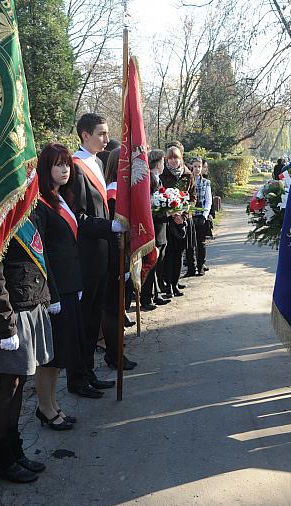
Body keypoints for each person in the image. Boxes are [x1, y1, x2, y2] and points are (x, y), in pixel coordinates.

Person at [0, 197, 60, 485]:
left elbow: (40, 258)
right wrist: (4, 323)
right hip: (10, 313)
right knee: (7, 386)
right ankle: (0, 459)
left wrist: (49, 297)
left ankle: (15, 450)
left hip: (31, 304)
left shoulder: (28, 211)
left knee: (20, 382)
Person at [63, 113, 124, 398]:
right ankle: (77, 379)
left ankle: (89, 372)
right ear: (85, 135)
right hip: (85, 256)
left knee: (93, 319)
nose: (105, 138)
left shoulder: (98, 162)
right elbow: (78, 217)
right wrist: (107, 226)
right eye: (100, 133)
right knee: (82, 321)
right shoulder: (74, 168)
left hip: (102, 255)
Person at [34, 143, 88, 419]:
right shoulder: (40, 203)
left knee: (62, 353)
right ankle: (45, 407)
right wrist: (53, 294)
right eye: (58, 164)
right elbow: (41, 254)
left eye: (67, 163)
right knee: (51, 355)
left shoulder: (62, 197)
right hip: (55, 291)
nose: (65, 169)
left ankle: (53, 404)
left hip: (71, 286)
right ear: (46, 168)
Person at [101, 148, 138, 370]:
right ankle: (114, 354)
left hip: (124, 256)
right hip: (115, 258)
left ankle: (117, 351)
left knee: (120, 305)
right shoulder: (113, 193)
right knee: (113, 308)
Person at [160, 145, 194, 296]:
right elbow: (159, 197)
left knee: (179, 254)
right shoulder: (162, 174)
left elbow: (193, 198)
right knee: (168, 255)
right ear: (167, 159)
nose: (174, 161)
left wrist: (183, 215)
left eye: (176, 157)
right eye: (171, 158)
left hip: (182, 220)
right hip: (168, 221)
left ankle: (175, 283)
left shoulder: (188, 175)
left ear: (181, 159)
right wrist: (172, 213)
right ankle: (167, 285)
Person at [140, 149, 171, 308]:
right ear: (157, 163)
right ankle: (146, 297)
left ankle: (157, 293)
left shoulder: (157, 178)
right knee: (151, 262)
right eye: (163, 162)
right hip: (154, 226)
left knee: (159, 262)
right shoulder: (149, 179)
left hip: (161, 226)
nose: (164, 165)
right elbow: (149, 203)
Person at [191, 157, 212, 275]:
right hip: (190, 215)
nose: (197, 169)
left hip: (201, 216)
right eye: (195, 166)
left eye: (199, 166)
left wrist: (205, 215)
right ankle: (191, 267)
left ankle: (200, 266)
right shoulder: (188, 180)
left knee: (201, 242)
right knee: (190, 244)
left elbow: (208, 201)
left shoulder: (206, 182)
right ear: (191, 167)